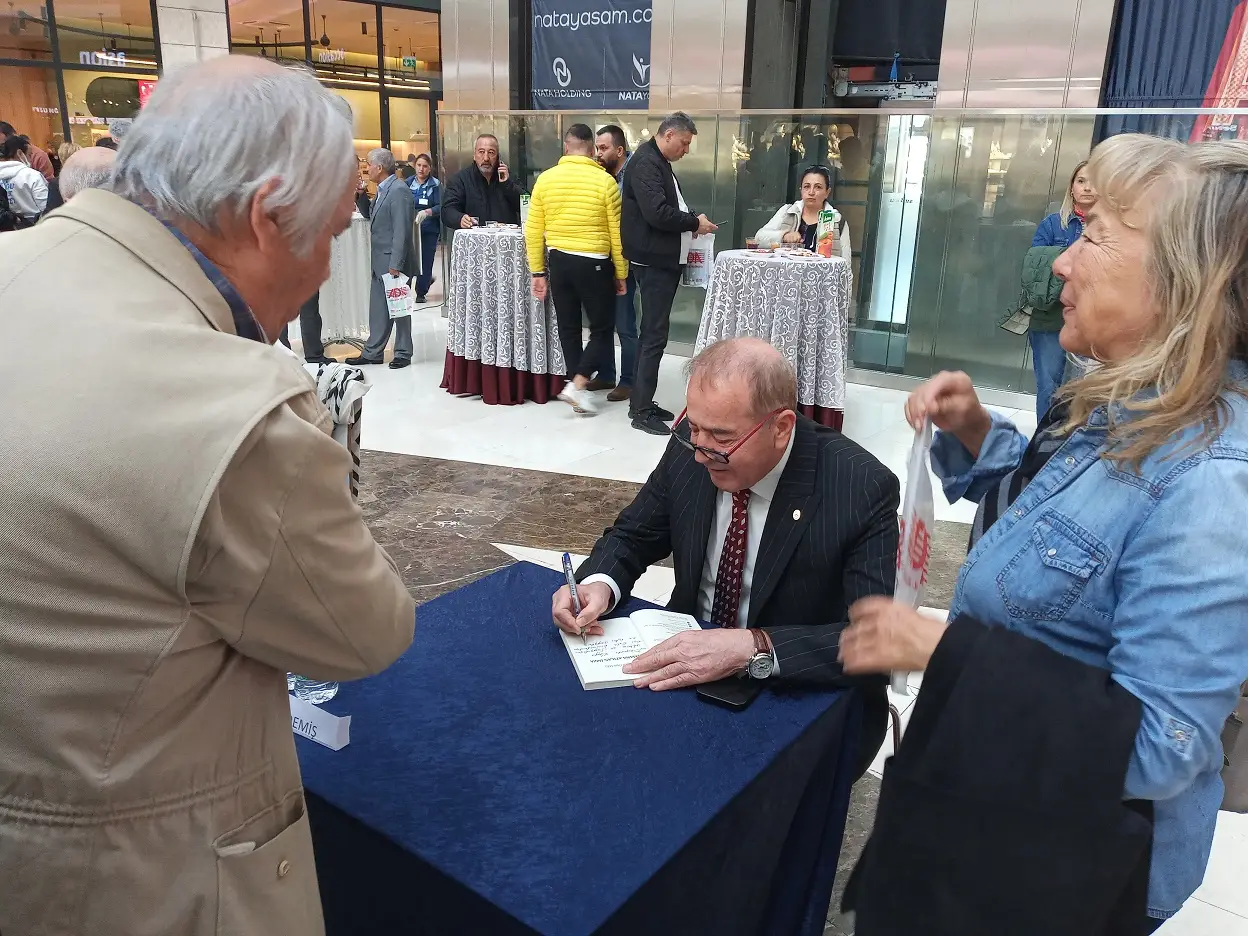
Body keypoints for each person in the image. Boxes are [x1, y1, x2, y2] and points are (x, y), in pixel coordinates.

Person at [0, 57, 415, 936]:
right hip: (136, 879)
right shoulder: (226, 401)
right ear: (268, 216)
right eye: (333, 230)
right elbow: (364, 630)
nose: (327, 261)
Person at [839, 134, 1248, 930]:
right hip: (991, 799)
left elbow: (1162, 745)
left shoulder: (1210, 480)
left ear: (1187, 283)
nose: (1061, 262)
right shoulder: (1121, 398)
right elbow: (1060, 524)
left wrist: (941, 650)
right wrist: (974, 432)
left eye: (1094, 238)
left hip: (1052, 869)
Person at [554, 337, 899, 775]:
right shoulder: (694, 443)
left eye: (721, 437)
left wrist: (754, 647)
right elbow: (635, 533)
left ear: (781, 427)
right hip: (686, 662)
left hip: (793, 688)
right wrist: (596, 584)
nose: (700, 453)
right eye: (693, 427)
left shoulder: (859, 487)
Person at [620, 112, 718, 435]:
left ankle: (643, 400)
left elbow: (669, 207)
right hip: (653, 262)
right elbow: (658, 214)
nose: (686, 150)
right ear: (670, 134)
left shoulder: (658, 162)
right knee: (653, 335)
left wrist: (692, 219)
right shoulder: (647, 162)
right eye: (685, 143)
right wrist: (694, 223)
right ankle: (640, 410)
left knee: (654, 333)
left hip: (661, 259)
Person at [524, 124, 627, 416]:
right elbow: (616, 233)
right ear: (593, 149)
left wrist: (538, 273)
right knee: (603, 329)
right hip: (594, 261)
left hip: (559, 261)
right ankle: (578, 384)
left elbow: (534, 231)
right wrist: (621, 272)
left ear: (566, 147)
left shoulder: (545, 180)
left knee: (568, 328)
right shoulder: (605, 182)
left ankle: (576, 387)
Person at [1025, 159, 1096, 419]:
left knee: (1077, 388)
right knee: (1048, 387)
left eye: (1094, 181)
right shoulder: (1053, 224)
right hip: (1050, 317)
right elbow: (1035, 269)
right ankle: (1045, 445)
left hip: (1090, 318)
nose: (1087, 187)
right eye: (1081, 181)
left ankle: (1067, 441)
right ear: (1072, 187)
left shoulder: (1111, 228)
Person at [347, 147, 417, 370]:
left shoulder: (399, 190)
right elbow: (371, 216)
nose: (367, 169)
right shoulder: (382, 189)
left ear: (380, 167)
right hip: (380, 261)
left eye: (369, 164)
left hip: (394, 262)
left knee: (400, 309)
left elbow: (402, 231)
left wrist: (396, 264)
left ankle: (403, 353)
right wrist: (360, 196)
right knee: (379, 309)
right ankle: (373, 352)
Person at [593, 124, 639, 402]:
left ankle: (629, 380)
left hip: (626, 260)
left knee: (624, 323)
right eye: (597, 148)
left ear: (619, 150)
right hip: (601, 258)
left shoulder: (633, 175)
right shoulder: (602, 175)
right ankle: (607, 373)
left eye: (603, 148)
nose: (598, 153)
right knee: (603, 320)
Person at [754, 165, 852, 259]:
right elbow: (758, 238)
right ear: (801, 190)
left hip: (822, 275)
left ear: (827, 192)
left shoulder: (837, 220)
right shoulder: (787, 211)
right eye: (807, 186)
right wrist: (783, 235)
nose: (811, 192)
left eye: (818, 187)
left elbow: (846, 262)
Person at [442, 133, 520, 229]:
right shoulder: (460, 179)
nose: (486, 158)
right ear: (474, 155)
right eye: (481, 152)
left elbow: (527, 205)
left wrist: (507, 185)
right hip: (473, 240)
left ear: (498, 157)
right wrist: (459, 218)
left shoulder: (508, 177)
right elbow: (447, 210)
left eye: (491, 152)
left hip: (504, 240)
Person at [409, 152, 441, 302]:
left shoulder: (435, 185)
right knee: (408, 260)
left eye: (425, 166)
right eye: (419, 165)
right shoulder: (408, 183)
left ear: (430, 168)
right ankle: (404, 290)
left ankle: (421, 292)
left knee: (426, 261)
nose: (421, 169)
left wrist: (428, 211)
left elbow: (442, 206)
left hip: (429, 229)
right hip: (411, 229)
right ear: (415, 166)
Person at [0, 133, 49, 226]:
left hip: (9, 228)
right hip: (35, 225)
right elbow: (45, 207)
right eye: (29, 155)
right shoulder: (32, 176)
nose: (31, 159)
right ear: (20, 153)